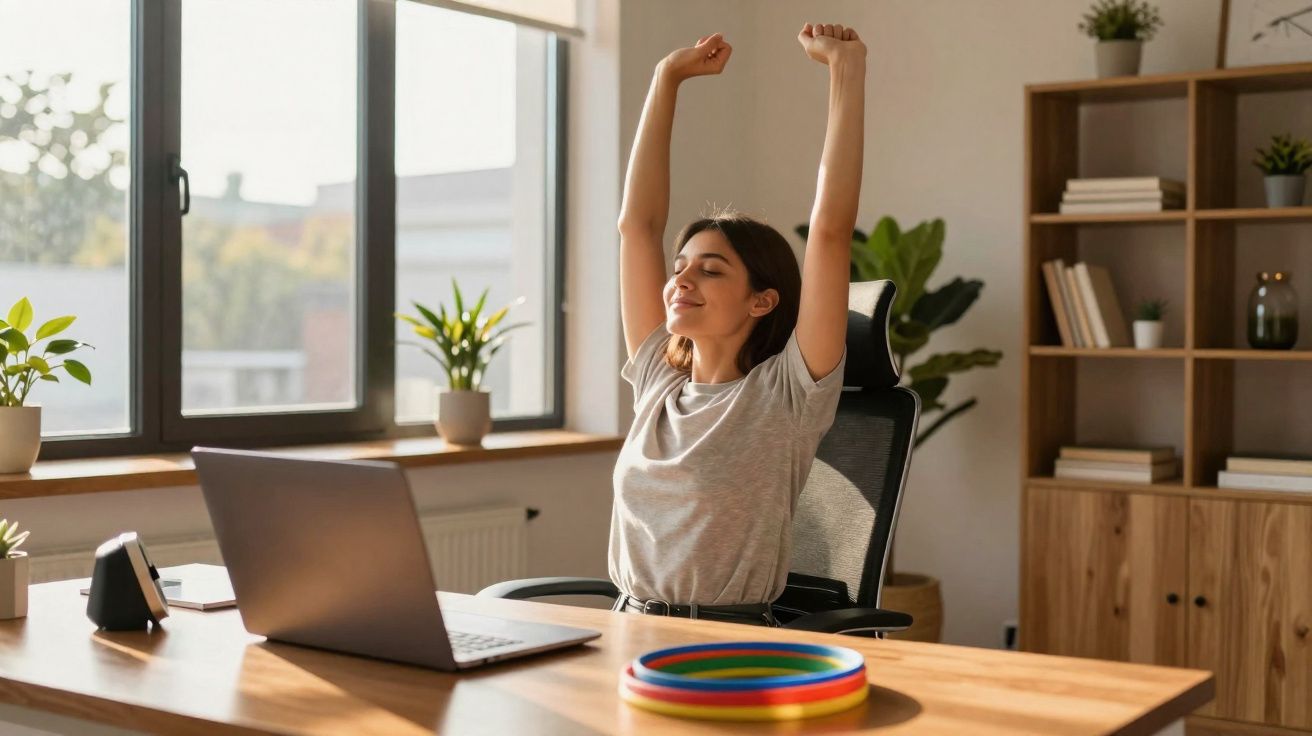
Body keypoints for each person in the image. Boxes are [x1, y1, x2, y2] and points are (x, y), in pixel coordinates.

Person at [610, 22, 867, 626]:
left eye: (711, 270)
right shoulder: (657, 383)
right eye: (680, 268)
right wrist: (665, 78)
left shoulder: (788, 393)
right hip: (625, 626)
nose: (680, 281)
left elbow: (830, 230)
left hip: (726, 641)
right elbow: (636, 227)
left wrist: (846, 73)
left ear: (762, 300)